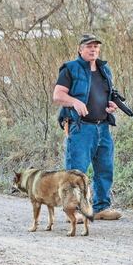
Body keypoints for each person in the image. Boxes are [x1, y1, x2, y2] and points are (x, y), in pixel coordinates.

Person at [53, 34, 121, 221]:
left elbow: (106, 95)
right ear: (80, 49)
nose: (93, 50)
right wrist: (74, 102)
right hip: (81, 128)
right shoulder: (70, 69)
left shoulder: (103, 69)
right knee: (76, 171)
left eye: (96, 46)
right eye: (89, 46)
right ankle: (72, 211)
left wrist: (111, 106)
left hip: (103, 127)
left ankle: (101, 208)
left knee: (105, 169)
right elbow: (58, 95)